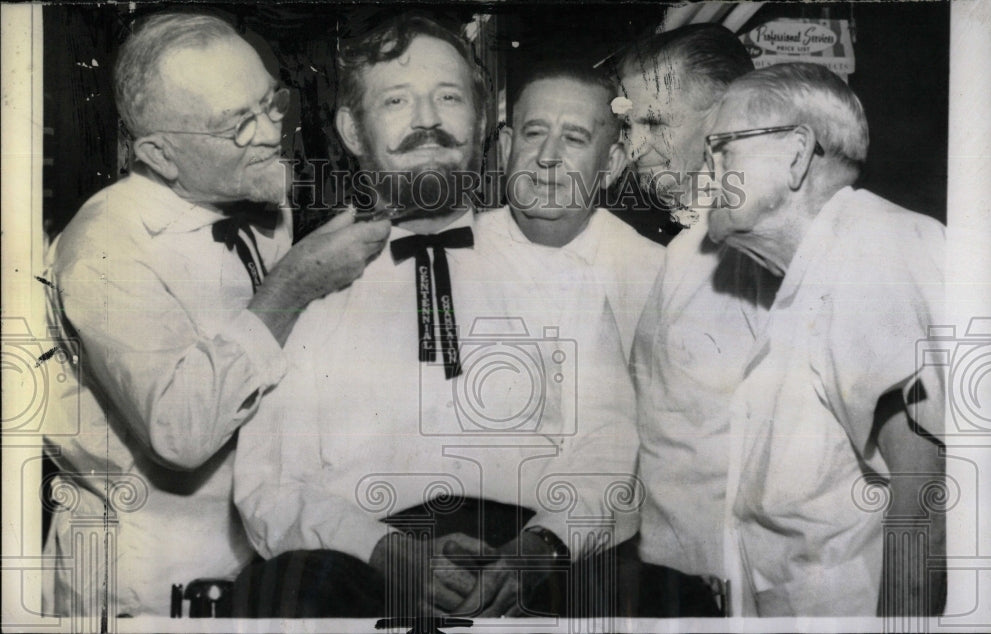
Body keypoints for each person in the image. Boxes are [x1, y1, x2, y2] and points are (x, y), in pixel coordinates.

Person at [233, 14, 639, 619]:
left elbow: (610, 449)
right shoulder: (306, 295)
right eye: (397, 100)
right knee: (279, 594)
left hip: (537, 557)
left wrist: (541, 549)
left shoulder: (566, 281)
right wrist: (383, 552)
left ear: (480, 124)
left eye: (449, 98)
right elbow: (269, 486)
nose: (428, 119)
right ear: (352, 128)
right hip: (359, 563)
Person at [44, 12, 390, 616]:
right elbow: (180, 433)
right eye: (237, 124)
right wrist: (292, 286)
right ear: (161, 153)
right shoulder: (105, 246)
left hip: (261, 553)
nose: (269, 133)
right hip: (150, 581)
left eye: (270, 103)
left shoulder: (259, 196)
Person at [706, 62, 946, 616]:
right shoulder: (818, 268)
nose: (705, 174)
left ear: (795, 153)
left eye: (722, 149)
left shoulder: (870, 255)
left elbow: (926, 503)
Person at [612, 24, 779, 616]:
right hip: (683, 578)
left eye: (656, 123)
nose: (635, 148)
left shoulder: (773, 242)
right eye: (630, 125)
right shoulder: (687, 243)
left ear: (728, 117)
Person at [480, 61, 665, 360]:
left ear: (611, 165)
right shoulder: (452, 255)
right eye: (535, 133)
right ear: (505, 149)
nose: (547, 156)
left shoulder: (653, 275)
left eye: (574, 139)